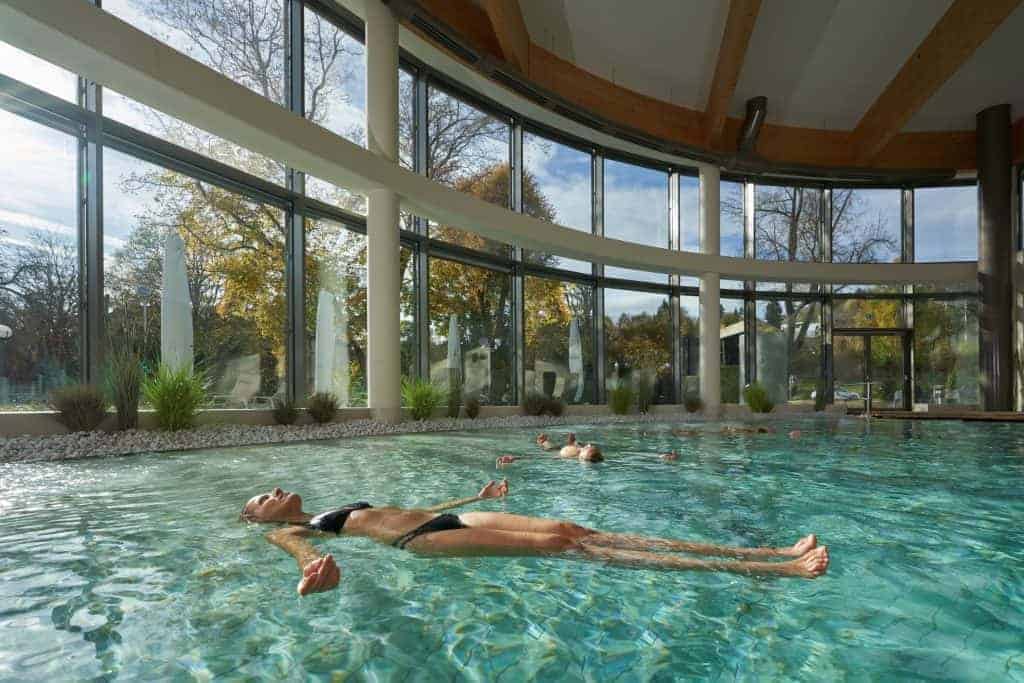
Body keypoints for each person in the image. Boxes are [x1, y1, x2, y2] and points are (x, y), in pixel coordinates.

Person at [241, 482, 829, 596]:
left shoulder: (335, 506)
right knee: (562, 548)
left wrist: (472, 497)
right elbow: (300, 549)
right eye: (263, 499)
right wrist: (314, 569)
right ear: (259, 519)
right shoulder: (297, 529)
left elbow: (415, 506)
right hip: (420, 542)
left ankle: (770, 551)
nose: (274, 493)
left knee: (575, 530)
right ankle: (776, 571)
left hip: (449, 519)